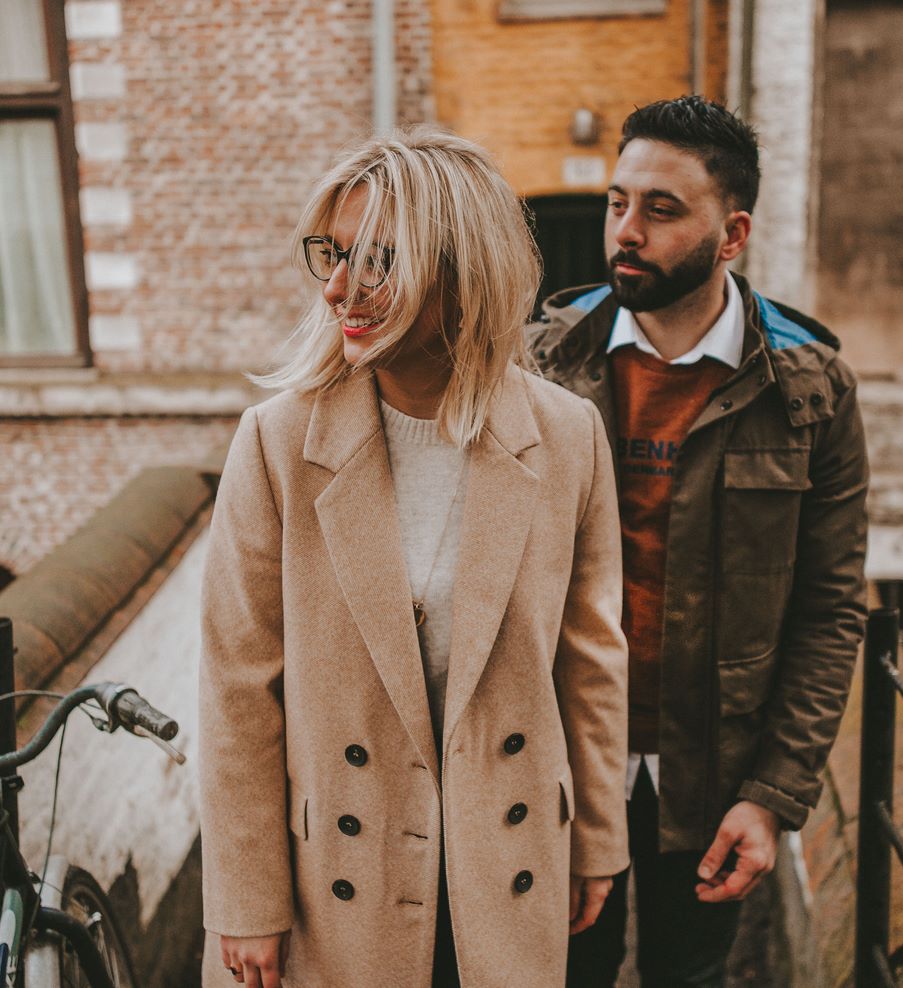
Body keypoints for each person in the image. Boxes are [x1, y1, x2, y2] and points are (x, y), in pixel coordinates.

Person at [198, 129, 630, 988]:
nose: (337, 288)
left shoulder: (567, 436)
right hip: (337, 877)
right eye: (334, 254)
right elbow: (237, 689)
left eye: (378, 261)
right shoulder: (278, 445)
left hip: (506, 860)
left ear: (464, 275)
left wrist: (597, 840)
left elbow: (590, 660)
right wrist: (245, 899)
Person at [527, 96, 870, 986]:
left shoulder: (810, 392)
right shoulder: (538, 365)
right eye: (617, 203)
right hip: (556, 764)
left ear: (732, 234)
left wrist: (773, 795)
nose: (625, 231)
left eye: (661, 209)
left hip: (714, 779)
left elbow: (830, 610)